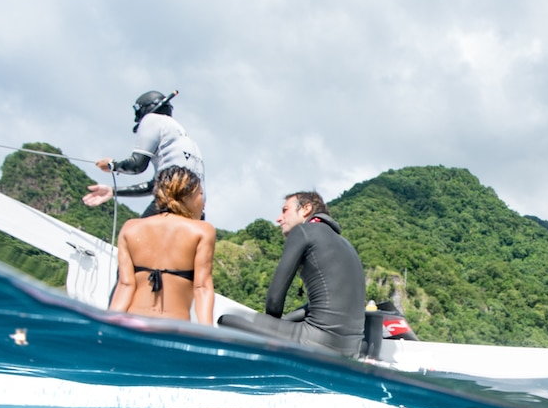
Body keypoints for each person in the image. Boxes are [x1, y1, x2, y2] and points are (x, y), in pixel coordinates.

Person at [216, 191, 366, 356]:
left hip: (316, 342)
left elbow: (274, 303)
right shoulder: (347, 245)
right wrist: (287, 320)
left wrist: (272, 327)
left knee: (226, 319)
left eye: (285, 210)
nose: (279, 218)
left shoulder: (303, 231)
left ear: (306, 209)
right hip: (351, 350)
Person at [109, 166, 216, 324]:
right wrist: (208, 335)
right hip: (171, 331)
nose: (204, 203)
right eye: (201, 194)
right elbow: (202, 288)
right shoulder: (202, 231)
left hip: (131, 325)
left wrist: (107, 326)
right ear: (187, 195)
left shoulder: (130, 228)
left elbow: (125, 285)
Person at [83, 90, 206, 218]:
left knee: (134, 235)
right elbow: (153, 186)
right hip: (198, 209)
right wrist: (112, 191)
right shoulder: (184, 139)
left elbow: (137, 165)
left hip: (171, 202)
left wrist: (112, 165)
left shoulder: (153, 120)